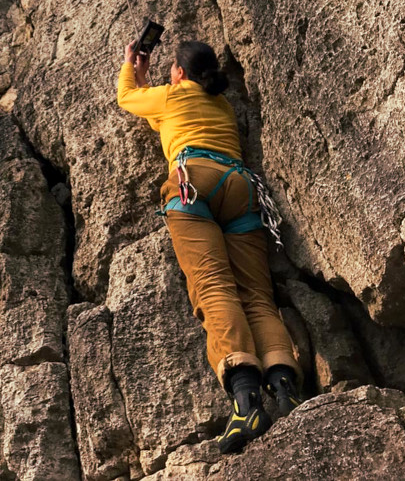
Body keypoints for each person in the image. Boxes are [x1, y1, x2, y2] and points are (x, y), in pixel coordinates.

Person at [117, 38, 302, 454]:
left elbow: (129, 97)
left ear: (179, 73)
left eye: (170, 70)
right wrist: (152, 78)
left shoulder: (169, 96)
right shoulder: (221, 105)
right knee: (258, 297)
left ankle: (247, 403)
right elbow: (162, 120)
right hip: (241, 187)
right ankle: (285, 387)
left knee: (214, 287)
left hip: (191, 183)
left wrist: (133, 66)